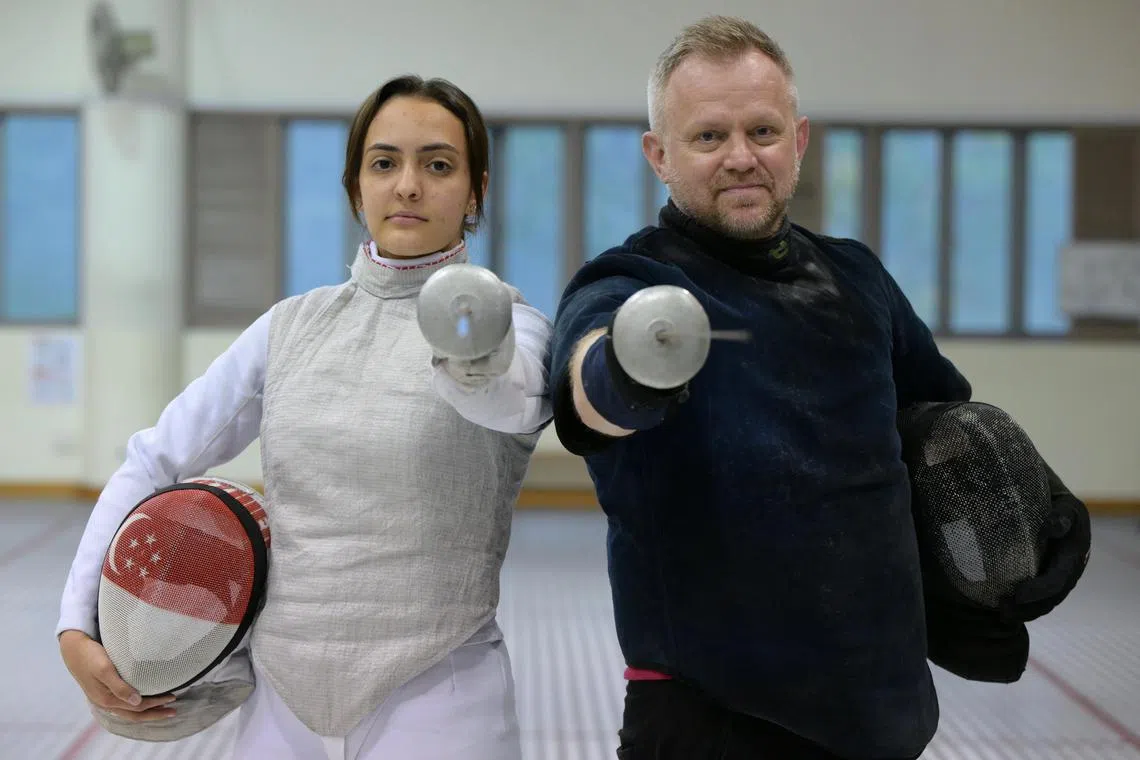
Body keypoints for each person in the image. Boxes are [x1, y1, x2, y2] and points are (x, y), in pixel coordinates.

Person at [57, 74, 551, 760]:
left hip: (439, 687)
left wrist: (470, 345)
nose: (408, 186)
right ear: (356, 187)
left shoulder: (514, 327)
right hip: (280, 698)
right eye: (385, 163)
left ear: (476, 191)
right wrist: (76, 622)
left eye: (438, 165)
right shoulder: (290, 327)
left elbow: (511, 395)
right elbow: (154, 458)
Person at [548, 16, 974, 760]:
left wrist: (999, 548)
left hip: (879, 710)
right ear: (659, 155)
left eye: (763, 132)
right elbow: (585, 390)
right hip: (708, 718)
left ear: (798, 141)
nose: (741, 157)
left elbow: (941, 427)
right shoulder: (630, 280)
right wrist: (628, 369)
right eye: (709, 136)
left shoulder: (856, 276)